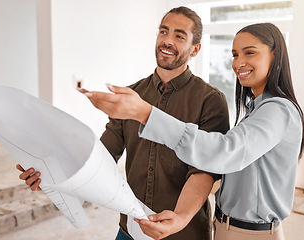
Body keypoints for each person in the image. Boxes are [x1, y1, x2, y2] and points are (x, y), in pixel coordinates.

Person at [16, 6, 229, 240]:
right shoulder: (130, 96)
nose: (167, 41)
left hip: (184, 233)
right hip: (131, 231)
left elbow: (204, 172)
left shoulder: (211, 100)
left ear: (195, 49)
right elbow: (102, 159)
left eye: (179, 36)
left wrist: (178, 218)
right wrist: (52, 179)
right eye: (163, 32)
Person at [82, 22, 304, 240]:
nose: (239, 62)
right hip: (205, 226)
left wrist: (147, 114)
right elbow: (103, 155)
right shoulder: (256, 109)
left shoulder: (277, 110)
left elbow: (221, 155)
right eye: (235, 55)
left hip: (246, 233)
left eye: (250, 52)